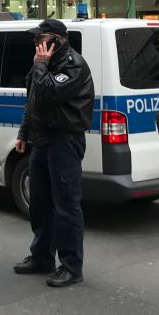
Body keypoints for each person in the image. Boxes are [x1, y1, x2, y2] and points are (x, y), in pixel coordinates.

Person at [12, 19, 94, 288]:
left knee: (66, 207)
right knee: (40, 204)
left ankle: (71, 266)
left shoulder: (73, 65)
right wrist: (24, 133)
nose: (35, 43)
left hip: (64, 142)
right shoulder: (42, 65)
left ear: (56, 41)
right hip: (41, 140)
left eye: (40, 39)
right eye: (35, 39)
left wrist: (40, 65)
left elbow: (49, 93)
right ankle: (42, 257)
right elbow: (33, 100)